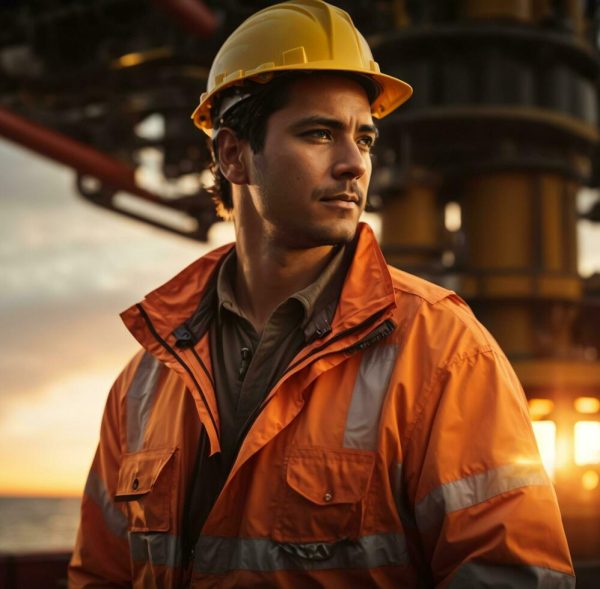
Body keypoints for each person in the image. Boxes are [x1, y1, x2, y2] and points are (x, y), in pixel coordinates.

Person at [69, 1, 575, 587]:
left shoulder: (443, 350)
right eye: (319, 134)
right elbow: (100, 575)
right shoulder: (144, 381)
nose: (353, 164)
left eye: (364, 138)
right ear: (233, 154)